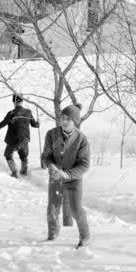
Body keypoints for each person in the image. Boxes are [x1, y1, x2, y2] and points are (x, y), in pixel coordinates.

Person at [40, 103, 91, 248]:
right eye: (63, 117)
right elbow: (46, 156)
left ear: (75, 121)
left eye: (68, 118)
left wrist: (67, 174)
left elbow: (84, 164)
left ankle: (85, 235)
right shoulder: (52, 134)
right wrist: (51, 166)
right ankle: (53, 232)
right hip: (55, 177)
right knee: (52, 207)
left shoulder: (82, 139)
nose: (64, 121)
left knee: (76, 209)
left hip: (73, 179)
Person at [0, 93, 39, 177]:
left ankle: (14, 172)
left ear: (14, 102)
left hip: (13, 140)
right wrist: (38, 123)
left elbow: (3, 124)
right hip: (25, 139)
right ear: (22, 101)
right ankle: (24, 171)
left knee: (8, 154)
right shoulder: (28, 112)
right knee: (23, 155)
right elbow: (34, 125)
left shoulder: (11, 113)